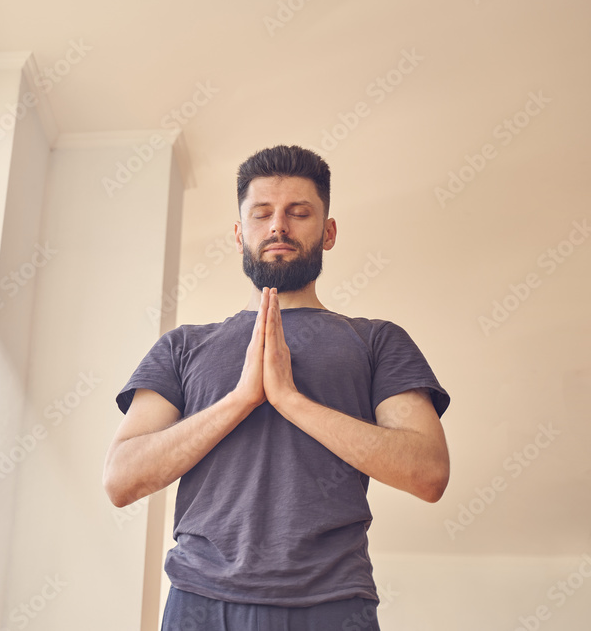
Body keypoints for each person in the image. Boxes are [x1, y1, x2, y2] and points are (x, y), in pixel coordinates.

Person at [103, 145, 450, 630]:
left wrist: (290, 399)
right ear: (240, 233)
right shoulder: (183, 347)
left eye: (299, 213)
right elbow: (121, 479)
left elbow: (428, 472)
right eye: (262, 214)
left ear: (328, 232)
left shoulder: (376, 340)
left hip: (333, 603)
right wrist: (240, 399)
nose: (279, 227)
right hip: (199, 601)